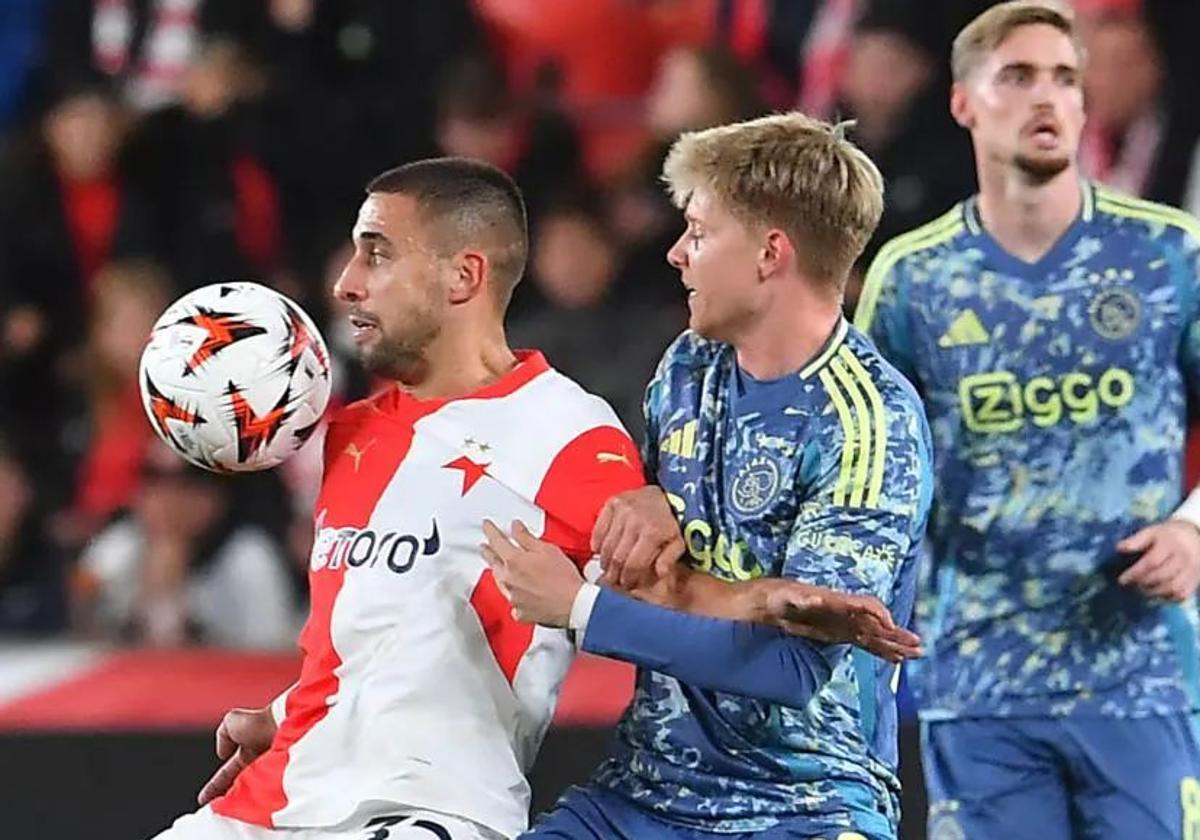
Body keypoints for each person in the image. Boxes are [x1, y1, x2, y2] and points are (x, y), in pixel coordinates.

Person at [151, 157, 916, 840]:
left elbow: (680, 591)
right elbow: (384, 627)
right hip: (295, 794)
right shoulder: (352, 432)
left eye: (376, 253)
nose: (347, 281)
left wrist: (765, 598)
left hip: (430, 810)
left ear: (463, 276)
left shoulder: (566, 434)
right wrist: (293, 716)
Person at [484, 112, 933, 840]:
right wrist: (654, 498)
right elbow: (656, 561)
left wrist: (581, 610)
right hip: (644, 793)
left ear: (769, 253)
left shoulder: (869, 421)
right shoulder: (688, 368)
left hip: (803, 804)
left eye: (698, 230)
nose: (674, 254)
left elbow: (791, 670)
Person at [854, 3, 1200, 838]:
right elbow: (867, 467)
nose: (1046, 97)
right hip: (978, 682)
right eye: (1017, 76)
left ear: (1085, 106)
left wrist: (1194, 527)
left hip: (1140, 674)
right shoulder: (912, 279)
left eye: (1065, 79)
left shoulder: (1168, 255)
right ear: (964, 102)